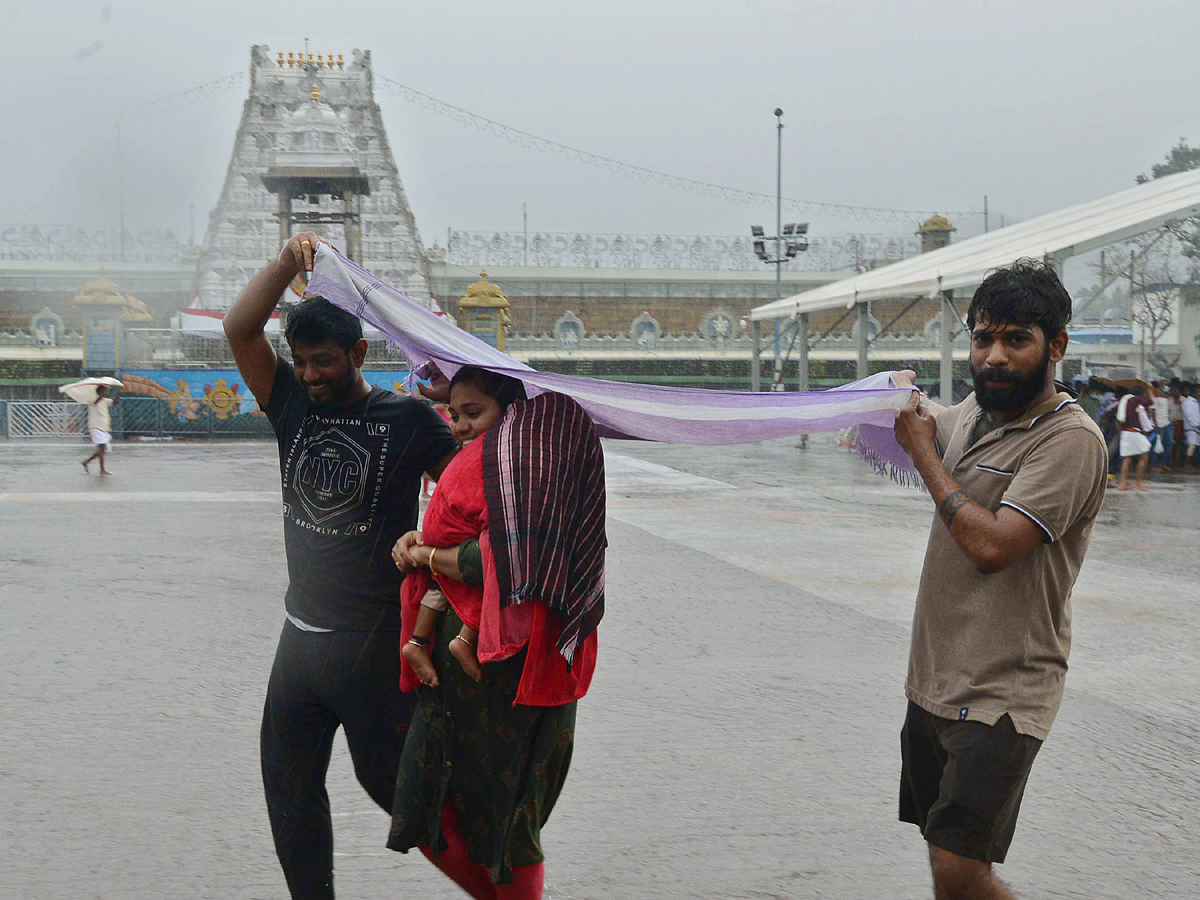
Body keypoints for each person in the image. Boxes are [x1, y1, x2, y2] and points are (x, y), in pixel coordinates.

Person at [223, 232, 458, 900]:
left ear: (358, 352)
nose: (311, 375)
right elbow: (240, 329)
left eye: (323, 361)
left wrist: (440, 559)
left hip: (373, 647)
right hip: (299, 644)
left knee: (397, 793)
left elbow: (471, 497)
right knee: (288, 792)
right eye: (300, 362)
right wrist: (280, 265)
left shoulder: (409, 420)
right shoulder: (290, 404)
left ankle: (504, 876)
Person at [893, 259, 1107, 900]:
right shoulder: (975, 416)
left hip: (1002, 695)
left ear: (1056, 346)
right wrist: (888, 394)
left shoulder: (1070, 441)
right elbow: (919, 417)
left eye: (1017, 340)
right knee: (942, 855)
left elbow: (992, 546)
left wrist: (926, 456)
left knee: (960, 870)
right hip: (934, 681)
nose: (995, 356)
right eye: (983, 338)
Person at [389, 365, 605, 900]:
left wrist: (427, 554)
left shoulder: (532, 468)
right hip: (461, 678)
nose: (460, 425)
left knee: (509, 825)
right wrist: (423, 546)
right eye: (454, 415)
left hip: (519, 674)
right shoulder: (487, 462)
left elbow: (508, 560)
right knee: (430, 811)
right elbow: (458, 531)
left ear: (511, 412)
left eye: (473, 413)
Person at [1116, 384, 1154, 491]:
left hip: (1126, 432)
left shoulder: (1125, 400)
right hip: (1135, 432)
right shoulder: (1135, 399)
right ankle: (1138, 482)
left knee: (1127, 458)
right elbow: (1151, 402)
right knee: (1144, 455)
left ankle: (1122, 483)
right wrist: (1150, 390)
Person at [81, 384, 117, 475]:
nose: (106, 393)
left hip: (104, 427)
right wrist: (102, 393)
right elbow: (96, 402)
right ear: (100, 392)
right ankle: (101, 469)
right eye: (105, 391)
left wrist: (120, 392)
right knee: (101, 446)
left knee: (102, 449)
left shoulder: (105, 401)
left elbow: (114, 402)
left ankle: (86, 462)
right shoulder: (93, 399)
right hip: (95, 426)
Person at [1151, 379, 1173, 470]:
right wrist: (1156, 425)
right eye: (1165, 385)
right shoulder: (1156, 398)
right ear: (1160, 386)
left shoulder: (1168, 398)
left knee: (1169, 443)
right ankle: (1154, 464)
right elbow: (1153, 411)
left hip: (1167, 424)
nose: (1166, 387)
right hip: (1159, 424)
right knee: (1156, 445)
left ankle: (1163, 462)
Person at [1183, 382, 1200, 469]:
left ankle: (1192, 463)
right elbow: (1189, 416)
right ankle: (1187, 463)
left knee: (1194, 446)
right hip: (1191, 428)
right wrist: (1197, 424)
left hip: (1196, 428)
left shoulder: (1196, 403)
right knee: (1192, 445)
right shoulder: (1188, 403)